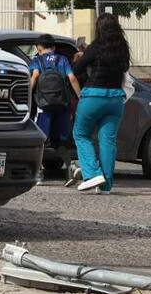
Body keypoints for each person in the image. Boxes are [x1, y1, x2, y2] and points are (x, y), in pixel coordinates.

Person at [71, 14, 131, 194]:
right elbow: (125, 69)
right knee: (108, 141)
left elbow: (76, 70)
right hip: (115, 99)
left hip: (93, 96)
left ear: (99, 28)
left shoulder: (96, 46)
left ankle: (92, 173)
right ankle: (106, 185)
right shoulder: (122, 48)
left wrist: (82, 55)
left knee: (81, 134)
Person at [29, 34, 80, 182]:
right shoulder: (62, 59)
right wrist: (80, 97)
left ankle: (39, 173)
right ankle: (71, 167)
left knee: (41, 140)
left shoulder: (37, 60)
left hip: (44, 106)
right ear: (54, 47)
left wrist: (26, 96)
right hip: (62, 105)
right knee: (59, 141)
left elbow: (35, 76)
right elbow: (72, 78)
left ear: (39, 49)